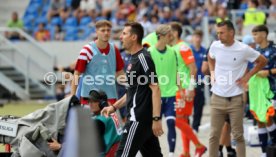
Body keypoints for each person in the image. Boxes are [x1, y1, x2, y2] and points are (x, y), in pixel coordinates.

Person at [101, 22, 163, 157]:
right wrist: (114, 107)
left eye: (124, 34)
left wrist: (157, 119)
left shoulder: (143, 58)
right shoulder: (133, 59)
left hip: (138, 119)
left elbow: (156, 88)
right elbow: (132, 90)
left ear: (134, 37)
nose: (121, 37)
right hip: (143, 122)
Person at [208, 20, 267, 157]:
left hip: (236, 99)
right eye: (217, 33)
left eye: (222, 33)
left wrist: (247, 77)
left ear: (231, 32)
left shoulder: (243, 49)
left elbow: (263, 61)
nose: (219, 36)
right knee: (213, 136)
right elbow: (210, 58)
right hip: (217, 97)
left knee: (238, 136)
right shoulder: (215, 45)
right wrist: (212, 72)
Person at [169, 22, 206, 157]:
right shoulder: (171, 48)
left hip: (184, 89)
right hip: (175, 88)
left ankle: (199, 145)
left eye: (169, 31)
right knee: (183, 120)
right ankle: (186, 152)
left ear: (175, 33)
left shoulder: (183, 47)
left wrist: (190, 88)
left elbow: (193, 68)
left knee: (177, 119)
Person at [71, 20, 124, 105]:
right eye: (103, 30)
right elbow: (76, 75)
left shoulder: (115, 49)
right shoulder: (87, 50)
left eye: (108, 30)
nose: (106, 33)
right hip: (89, 99)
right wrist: (72, 97)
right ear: (96, 32)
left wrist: (134, 82)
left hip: (110, 99)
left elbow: (120, 74)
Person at [147, 24, 178, 157]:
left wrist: (181, 89)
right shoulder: (149, 53)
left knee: (171, 122)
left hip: (171, 94)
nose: (172, 37)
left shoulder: (173, 52)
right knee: (153, 128)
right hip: (155, 96)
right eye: (169, 35)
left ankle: (171, 153)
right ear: (161, 36)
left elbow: (177, 72)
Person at [250, 25, 276, 157]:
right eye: (252, 34)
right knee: (260, 119)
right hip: (258, 92)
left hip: (273, 90)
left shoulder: (274, 50)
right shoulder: (255, 51)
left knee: (269, 118)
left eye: (256, 34)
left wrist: (269, 72)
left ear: (264, 34)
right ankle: (264, 153)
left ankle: (274, 146)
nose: (253, 37)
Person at [89, 89, 122, 157]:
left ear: (102, 103)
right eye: (89, 101)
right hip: (116, 151)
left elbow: (97, 148)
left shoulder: (99, 121)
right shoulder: (112, 114)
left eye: (94, 101)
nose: (90, 104)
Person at [189, 29, 206, 132]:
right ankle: (187, 123)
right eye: (196, 36)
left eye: (199, 37)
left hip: (200, 80)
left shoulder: (204, 51)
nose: (198, 39)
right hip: (189, 80)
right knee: (188, 103)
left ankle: (195, 126)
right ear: (192, 38)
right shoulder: (189, 50)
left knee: (199, 103)